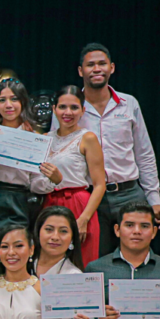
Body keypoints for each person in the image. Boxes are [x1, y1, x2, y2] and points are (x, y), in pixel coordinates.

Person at [77, 43, 160, 257]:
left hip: (129, 193)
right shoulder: (70, 106)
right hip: (89, 197)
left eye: (102, 64)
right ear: (81, 71)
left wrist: (154, 200)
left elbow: (144, 154)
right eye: (90, 65)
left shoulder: (129, 103)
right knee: (93, 260)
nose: (96, 69)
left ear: (112, 68)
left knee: (137, 257)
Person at [0, 79, 62, 242]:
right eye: (2, 100)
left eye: (14, 99)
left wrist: (52, 180)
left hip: (15, 202)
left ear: (23, 102)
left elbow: (35, 183)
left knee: (9, 249)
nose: (8, 105)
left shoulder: (34, 139)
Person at [44, 85, 108, 265]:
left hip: (79, 205)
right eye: (62, 107)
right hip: (49, 203)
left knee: (81, 263)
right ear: (54, 109)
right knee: (50, 263)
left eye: (74, 107)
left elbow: (100, 184)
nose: (68, 112)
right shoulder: (44, 138)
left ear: (82, 110)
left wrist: (84, 219)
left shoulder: (87, 138)